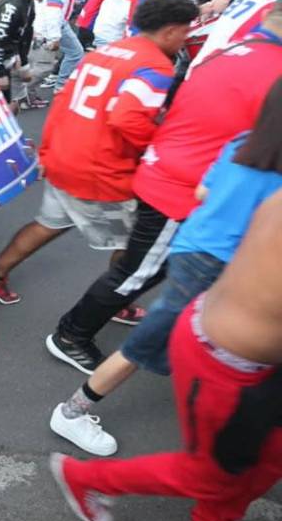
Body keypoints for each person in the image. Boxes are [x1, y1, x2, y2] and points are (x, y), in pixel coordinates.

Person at [51, 190, 282, 521]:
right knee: (211, 474)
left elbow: (208, 191)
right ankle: (88, 477)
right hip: (225, 360)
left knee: (268, 459)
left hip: (237, 342)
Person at [51, 78, 282, 457]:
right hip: (218, 266)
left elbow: (203, 192)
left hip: (193, 247)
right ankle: (70, 412)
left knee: (208, 340)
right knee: (145, 346)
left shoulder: (242, 142)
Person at [0, 0, 198, 309]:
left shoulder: (104, 52)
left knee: (49, 223)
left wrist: (48, 149)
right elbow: (126, 117)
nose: (186, 39)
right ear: (169, 31)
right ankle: (115, 303)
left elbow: (62, 101)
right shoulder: (155, 66)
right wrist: (155, 147)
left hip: (66, 154)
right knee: (133, 241)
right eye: (185, 31)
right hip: (101, 170)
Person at [0, 0, 53, 106]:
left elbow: (25, 34)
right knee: (5, 108)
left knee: (14, 105)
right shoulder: (13, 5)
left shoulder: (28, 1)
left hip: (12, 58)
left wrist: (24, 64)